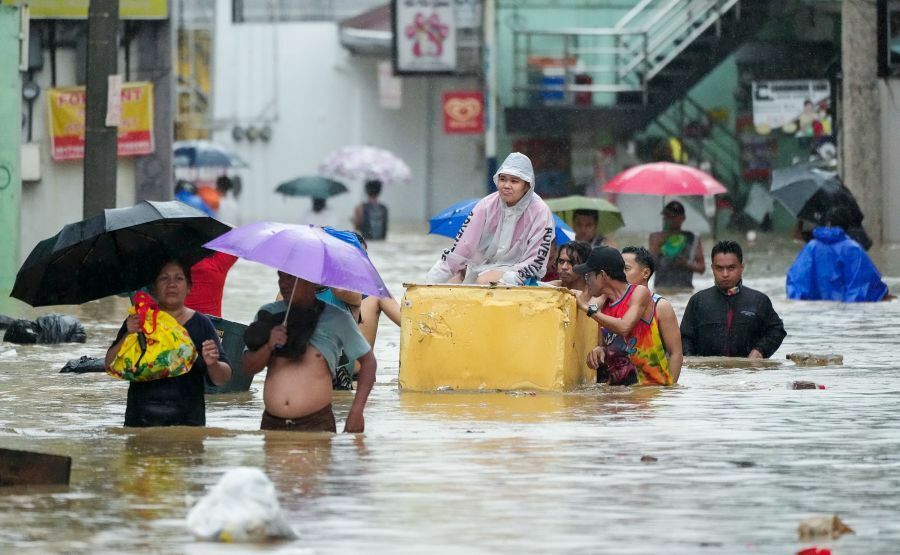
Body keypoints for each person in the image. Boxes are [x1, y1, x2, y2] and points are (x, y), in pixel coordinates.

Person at [242, 271, 376, 433]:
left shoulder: (337, 318)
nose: (283, 283)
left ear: (310, 282)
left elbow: (369, 362)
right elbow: (248, 367)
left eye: (291, 278)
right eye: (281, 277)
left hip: (316, 424)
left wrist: (357, 411)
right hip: (271, 424)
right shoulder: (268, 314)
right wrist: (269, 344)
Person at [105, 260, 232, 427]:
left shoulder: (202, 324)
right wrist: (128, 334)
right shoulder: (139, 320)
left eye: (179, 278)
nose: (172, 284)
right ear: (154, 288)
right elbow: (109, 364)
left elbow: (222, 379)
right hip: (140, 422)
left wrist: (213, 364)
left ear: (189, 288)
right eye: (164, 278)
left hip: (187, 424)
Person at [426, 152, 555, 285]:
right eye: (503, 179)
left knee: (483, 280)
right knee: (453, 282)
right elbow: (462, 248)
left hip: (521, 274)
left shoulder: (540, 211)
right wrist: (430, 283)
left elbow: (536, 260)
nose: (506, 185)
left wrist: (510, 278)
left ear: (527, 185)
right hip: (483, 269)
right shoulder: (485, 205)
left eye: (514, 181)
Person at [572, 246, 674, 386]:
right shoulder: (603, 303)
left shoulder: (639, 292)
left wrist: (586, 307)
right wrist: (601, 350)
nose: (586, 281)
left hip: (650, 392)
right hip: (622, 392)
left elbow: (624, 327)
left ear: (602, 275)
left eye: (588, 275)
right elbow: (615, 342)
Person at [680, 240, 786, 358]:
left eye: (731, 268)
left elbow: (777, 330)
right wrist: (693, 363)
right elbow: (684, 338)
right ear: (712, 269)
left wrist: (760, 350)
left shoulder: (759, 300)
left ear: (742, 268)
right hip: (709, 373)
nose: (725, 274)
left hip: (747, 373)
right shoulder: (698, 301)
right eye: (719, 268)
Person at [786, 207, 890, 302]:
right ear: (847, 226)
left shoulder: (811, 247)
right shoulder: (853, 248)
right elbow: (866, 289)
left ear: (827, 223)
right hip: (843, 316)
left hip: (814, 316)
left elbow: (796, 284)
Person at [621, 246, 683, 383]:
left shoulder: (661, 307)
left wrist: (669, 390)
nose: (620, 274)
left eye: (626, 269)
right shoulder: (611, 305)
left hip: (652, 391)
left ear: (645, 273)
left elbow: (676, 353)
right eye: (618, 269)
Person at [648, 200, 704, 289]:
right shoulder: (656, 237)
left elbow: (702, 268)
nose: (669, 220)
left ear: (683, 218)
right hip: (661, 289)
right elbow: (649, 267)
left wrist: (686, 264)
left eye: (673, 216)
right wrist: (658, 248)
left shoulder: (692, 238)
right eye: (666, 216)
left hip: (685, 290)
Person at [184, 252, 239, 318]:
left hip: (173, 322)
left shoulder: (174, 258)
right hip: (212, 323)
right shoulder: (218, 262)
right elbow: (239, 245)